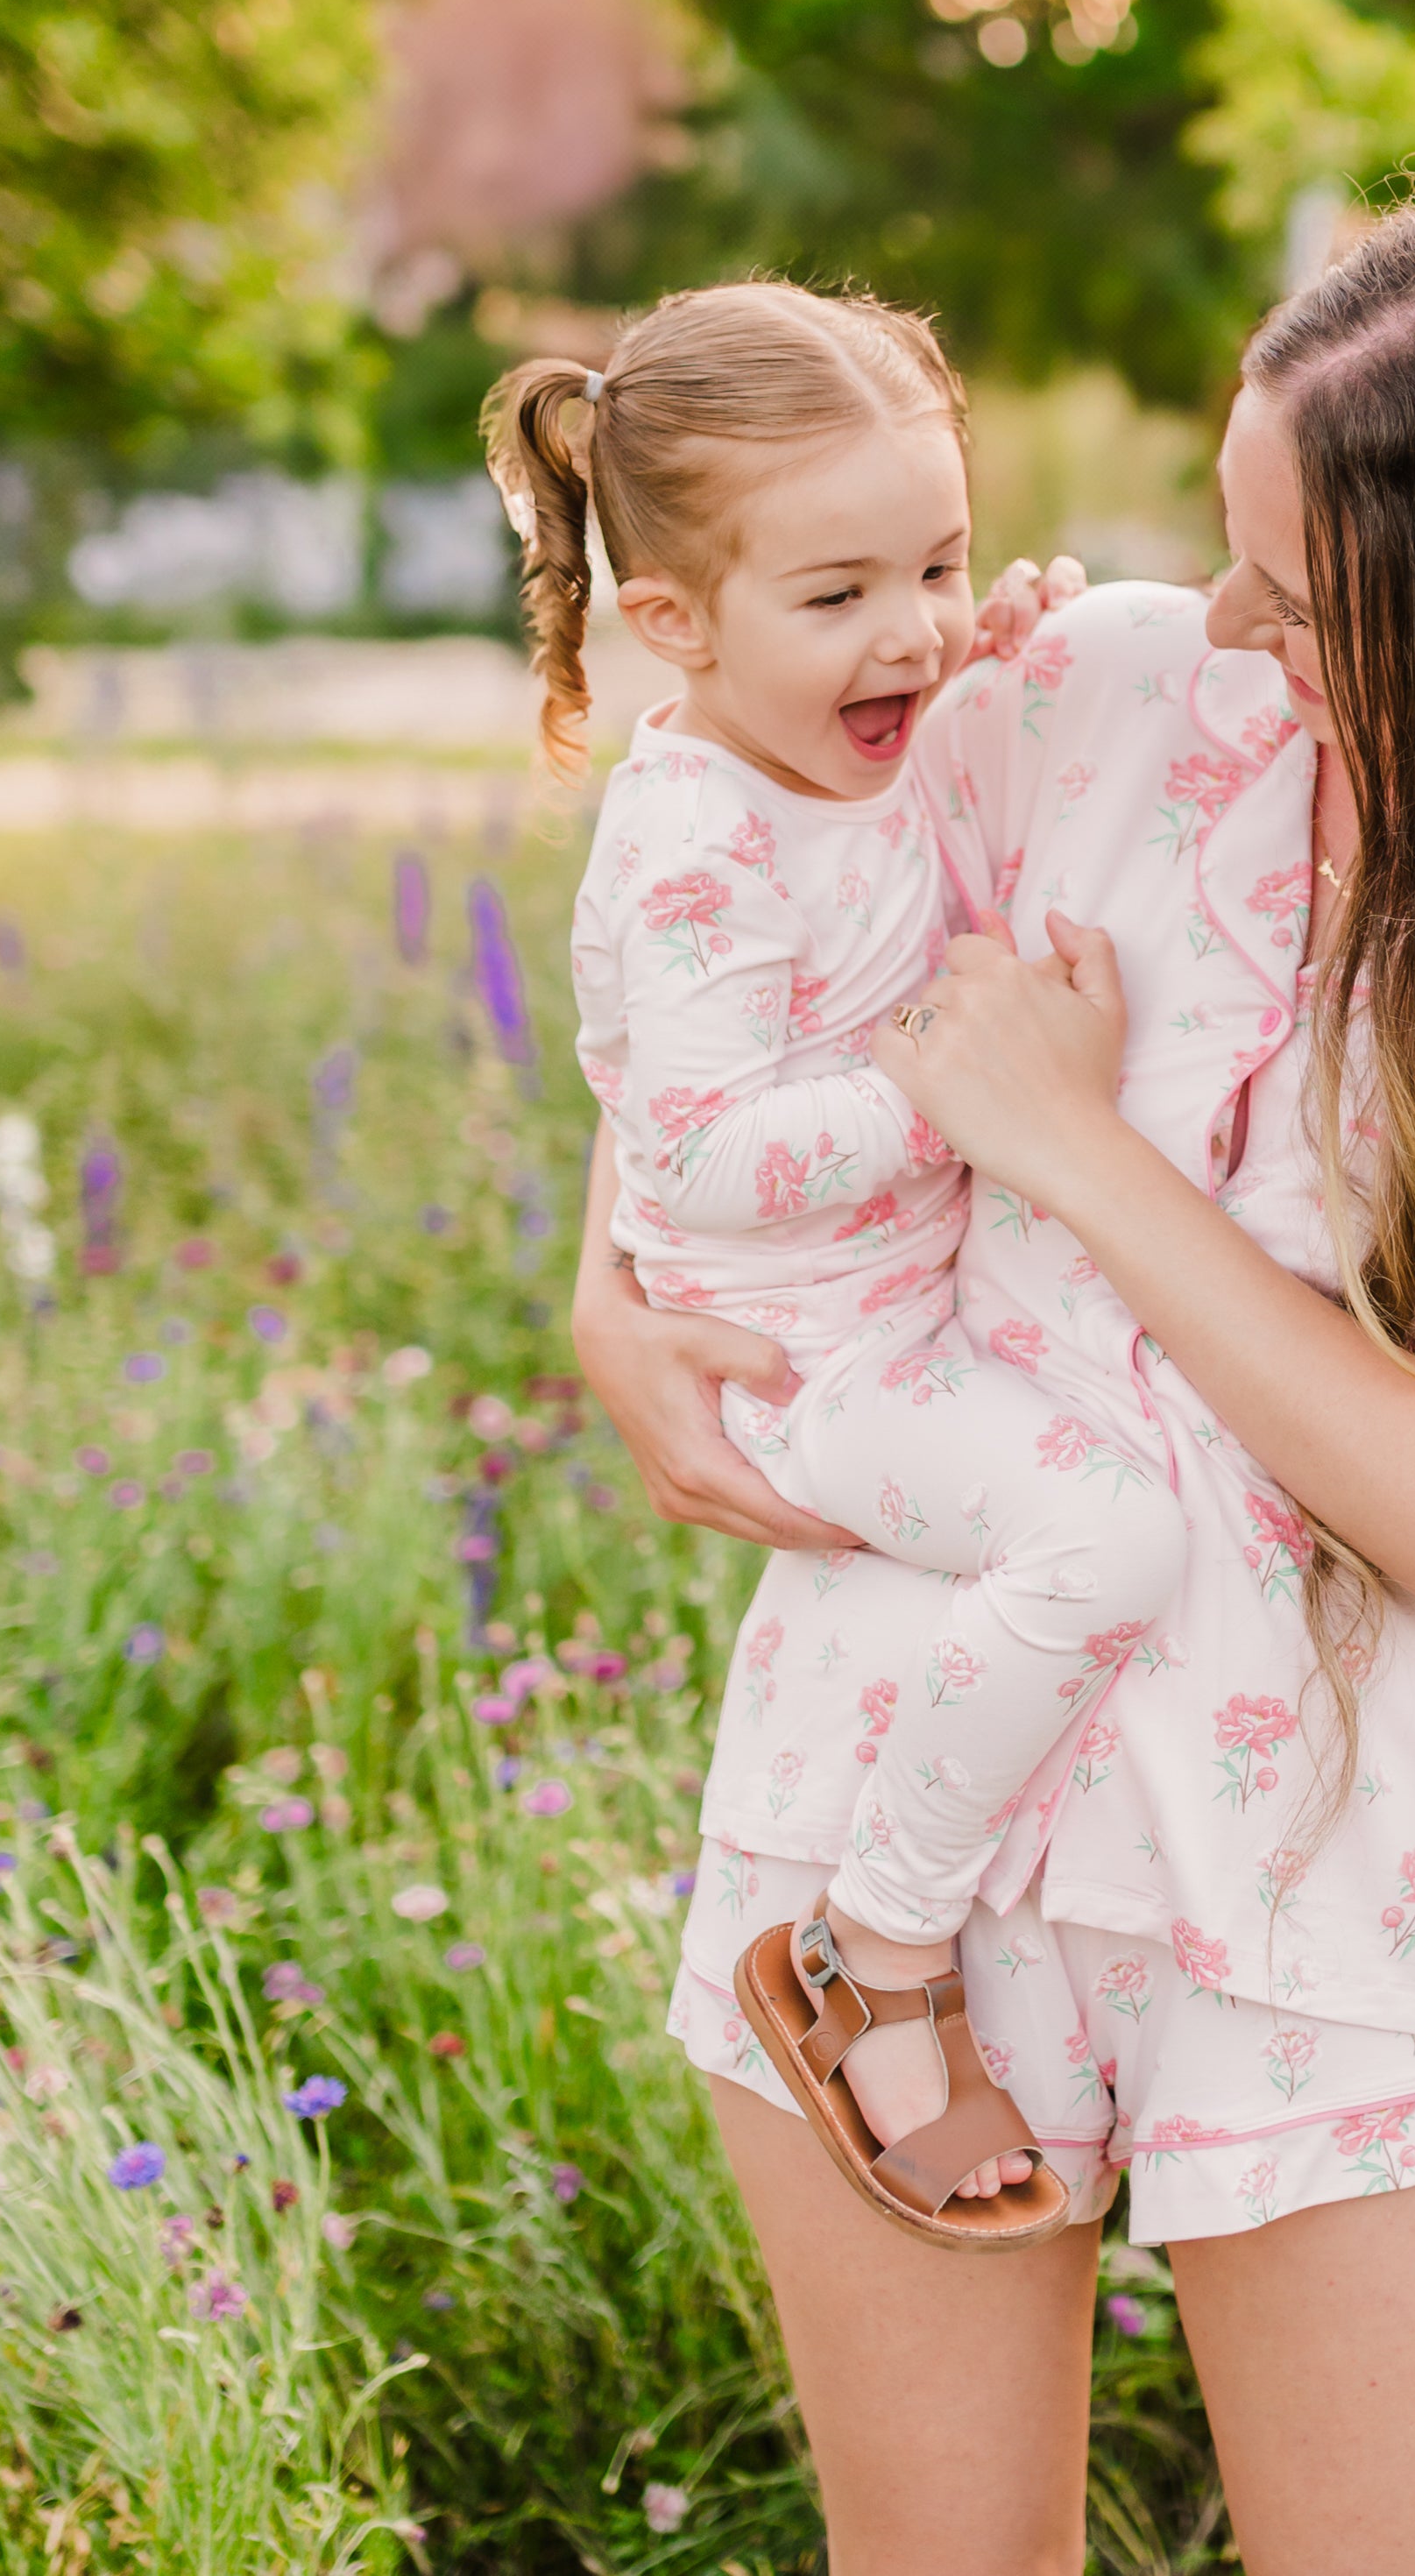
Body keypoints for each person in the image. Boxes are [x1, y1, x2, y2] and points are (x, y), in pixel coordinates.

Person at [575, 179, 1415, 2574]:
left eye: (1298, 599)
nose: (1217, 622)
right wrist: (609, 1275)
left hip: (1347, 1896)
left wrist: (1081, 1158)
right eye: (1231, 544)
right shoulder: (1090, 695)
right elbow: (733, 922)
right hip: (890, 1840)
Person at [487, 280, 1186, 2237]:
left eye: (939, 561)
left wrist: (1004, 653)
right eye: (841, 594)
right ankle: (872, 1946)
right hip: (813, 1368)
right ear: (675, 625)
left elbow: (943, 756)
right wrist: (966, 1084)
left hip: (898, 1316)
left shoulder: (842, 740)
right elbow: (701, 1157)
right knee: (1109, 1539)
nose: (913, 629)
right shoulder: (697, 842)